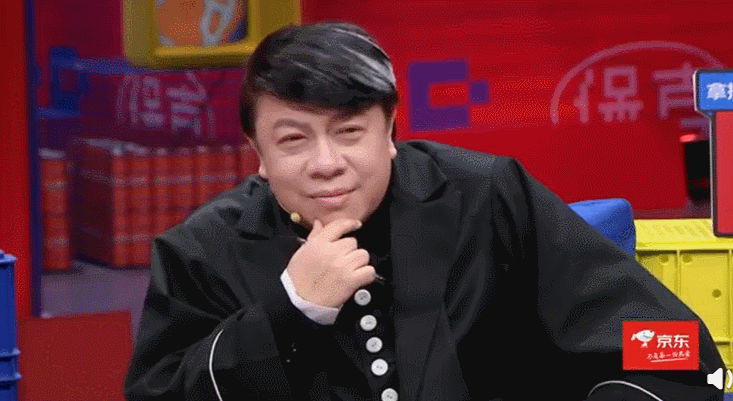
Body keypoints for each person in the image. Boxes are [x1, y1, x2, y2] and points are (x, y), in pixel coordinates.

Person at [123, 21, 724, 401]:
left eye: (349, 132)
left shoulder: (486, 196)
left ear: (390, 130)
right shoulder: (202, 251)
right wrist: (289, 312)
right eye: (293, 140)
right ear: (257, 153)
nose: (326, 163)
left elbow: (671, 346)